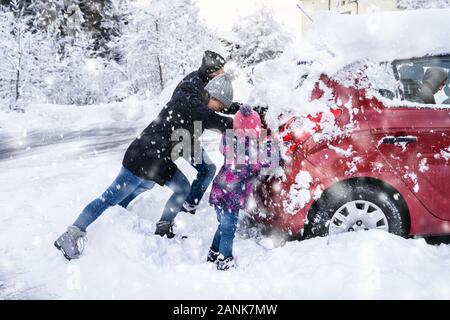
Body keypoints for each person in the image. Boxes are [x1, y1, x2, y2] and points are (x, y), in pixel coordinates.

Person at [54, 74, 234, 260]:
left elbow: (213, 115)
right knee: (109, 198)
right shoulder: (195, 106)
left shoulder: (192, 95)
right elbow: (219, 121)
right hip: (141, 158)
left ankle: (162, 227)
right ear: (213, 96)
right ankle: (71, 234)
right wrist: (247, 124)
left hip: (159, 160)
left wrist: (240, 109)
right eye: (220, 105)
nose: (220, 109)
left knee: (180, 188)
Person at [170, 50, 241, 216]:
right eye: (219, 70)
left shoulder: (204, 83)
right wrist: (237, 125)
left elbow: (220, 103)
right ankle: (188, 206)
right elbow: (208, 115)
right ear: (209, 72)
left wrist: (242, 109)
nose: (222, 74)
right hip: (179, 136)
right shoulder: (192, 85)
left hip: (187, 135)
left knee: (207, 169)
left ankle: (189, 205)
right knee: (207, 169)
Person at [207, 104, 268, 271]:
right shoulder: (253, 151)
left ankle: (213, 252)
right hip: (231, 197)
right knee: (228, 229)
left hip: (219, 191)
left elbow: (223, 147)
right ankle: (225, 260)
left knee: (222, 226)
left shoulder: (229, 140)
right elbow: (267, 161)